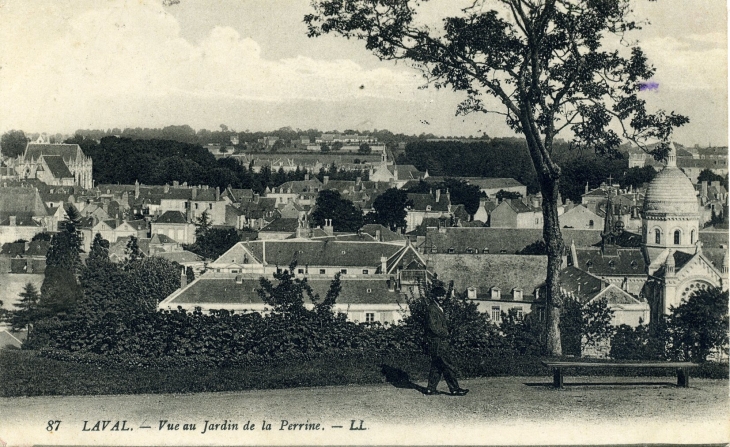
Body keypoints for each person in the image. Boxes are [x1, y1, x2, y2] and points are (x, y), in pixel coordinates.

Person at [423, 294, 468, 396]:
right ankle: (455, 389)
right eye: (439, 296)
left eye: (442, 296)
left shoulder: (437, 308)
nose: (441, 298)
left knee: (437, 365)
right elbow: (433, 326)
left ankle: (430, 388)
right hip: (438, 342)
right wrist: (446, 333)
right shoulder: (432, 309)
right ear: (433, 297)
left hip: (437, 342)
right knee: (448, 365)